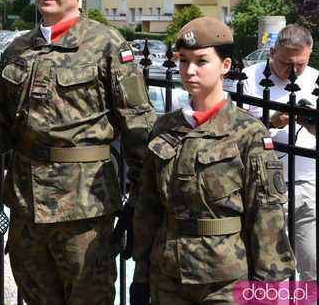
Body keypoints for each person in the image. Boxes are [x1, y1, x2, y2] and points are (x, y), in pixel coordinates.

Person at [0, 0, 156, 305]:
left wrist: (140, 206)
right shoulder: (18, 50)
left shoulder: (107, 46)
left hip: (84, 211)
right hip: (27, 209)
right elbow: (2, 131)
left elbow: (139, 130)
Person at [132, 17, 295, 305]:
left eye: (201, 61)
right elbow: (148, 208)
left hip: (225, 281)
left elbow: (266, 217)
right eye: (183, 60)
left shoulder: (248, 134)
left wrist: (266, 291)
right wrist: (141, 277)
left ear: (225, 66)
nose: (189, 70)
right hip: (167, 275)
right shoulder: (164, 128)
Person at [242, 24, 318, 280]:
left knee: (312, 265)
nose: (294, 72)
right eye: (287, 63)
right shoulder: (248, 78)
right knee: (267, 269)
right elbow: (234, 134)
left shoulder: (316, 79)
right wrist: (270, 122)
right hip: (262, 187)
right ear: (272, 52)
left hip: (307, 183)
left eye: (301, 64)